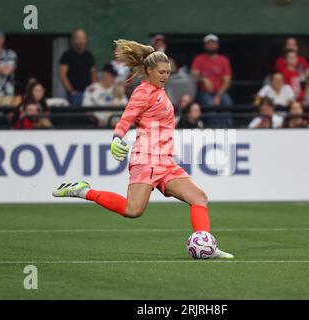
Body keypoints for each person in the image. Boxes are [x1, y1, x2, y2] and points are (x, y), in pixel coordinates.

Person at [52, 39, 233, 259]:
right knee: (133, 211)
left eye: (168, 72)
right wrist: (117, 137)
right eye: (161, 72)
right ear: (148, 71)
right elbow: (126, 118)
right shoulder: (143, 92)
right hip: (146, 158)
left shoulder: (159, 89)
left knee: (199, 197)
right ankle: (82, 190)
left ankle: (207, 246)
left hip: (165, 160)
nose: (166, 76)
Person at [191, 34, 233, 127]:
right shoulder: (199, 59)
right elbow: (193, 76)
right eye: (208, 43)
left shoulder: (223, 60)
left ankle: (226, 128)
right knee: (209, 103)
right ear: (205, 46)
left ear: (217, 45)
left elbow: (227, 80)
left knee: (227, 102)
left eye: (213, 43)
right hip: (203, 92)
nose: (211, 46)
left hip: (220, 92)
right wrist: (203, 79)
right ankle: (214, 128)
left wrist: (218, 95)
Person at [59, 29, 97, 106]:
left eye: (83, 38)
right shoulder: (67, 55)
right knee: (75, 116)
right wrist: (71, 91)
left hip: (88, 93)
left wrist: (93, 89)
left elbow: (93, 73)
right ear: (73, 40)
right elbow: (62, 74)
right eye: (79, 38)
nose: (81, 41)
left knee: (89, 116)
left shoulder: (89, 55)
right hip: (75, 95)